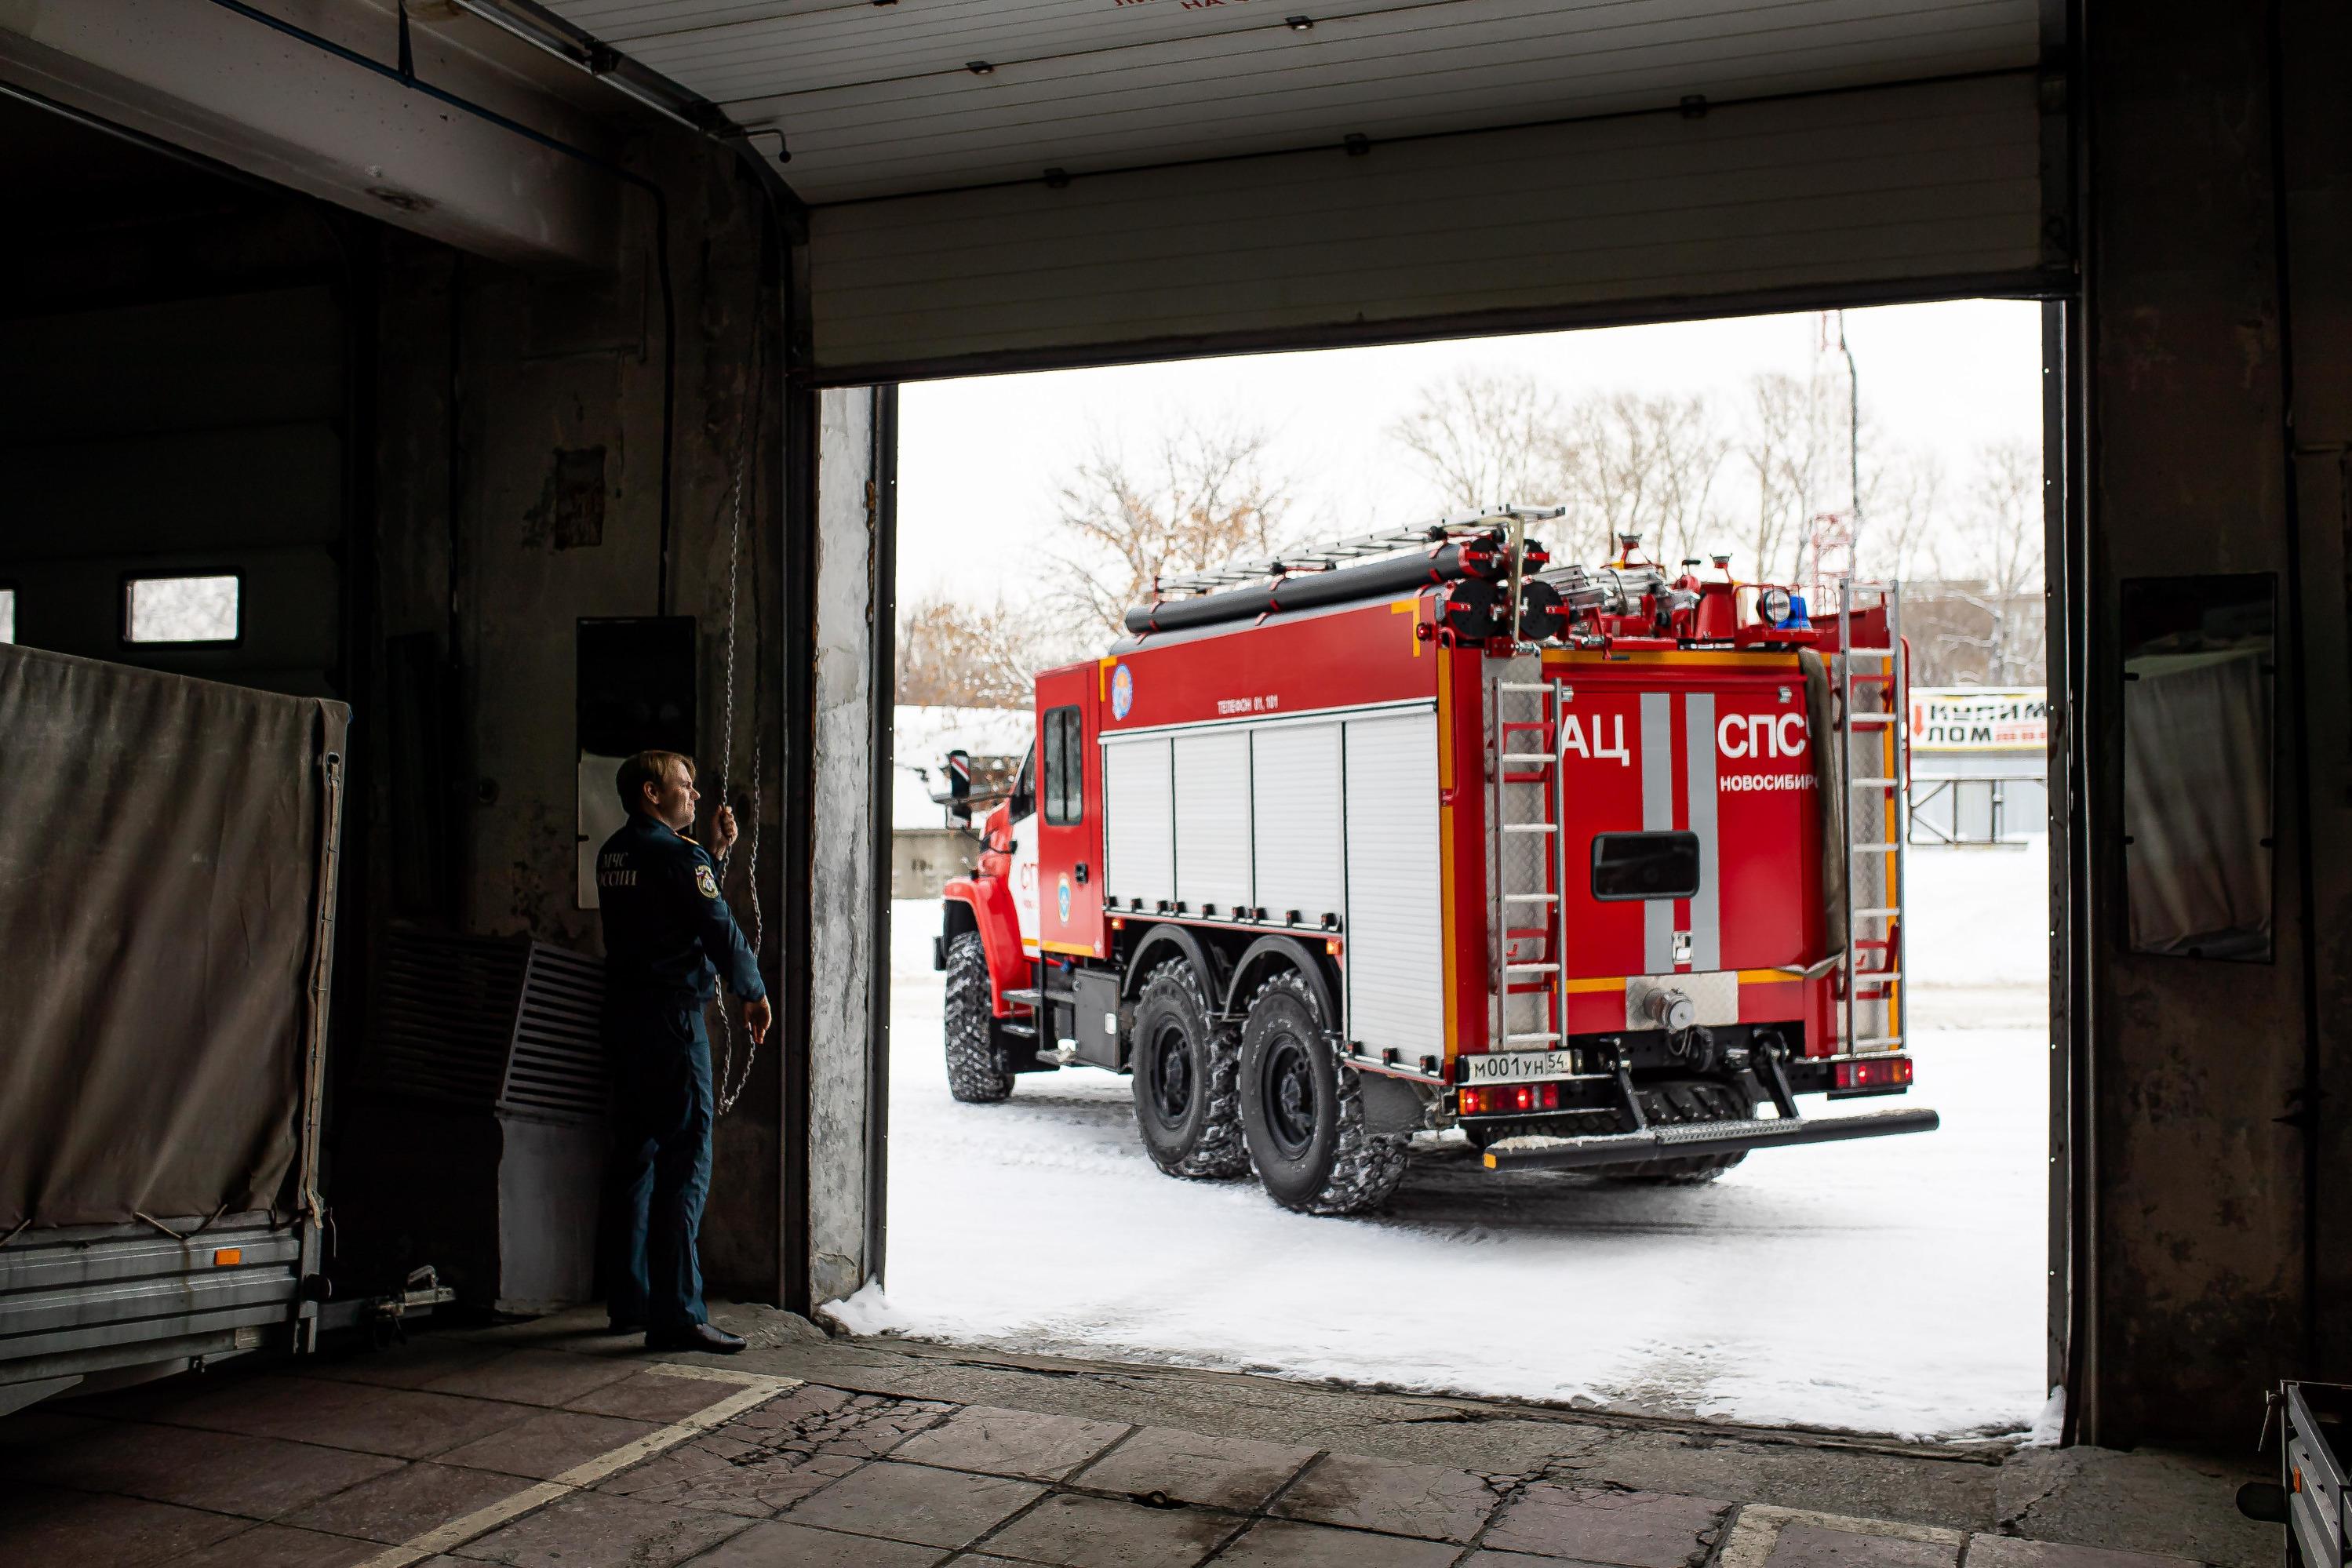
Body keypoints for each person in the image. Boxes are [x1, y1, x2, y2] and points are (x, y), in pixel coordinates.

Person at [595, 749, 772, 1353]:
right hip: (673, 1024)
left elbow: (674, 908)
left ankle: (630, 1301)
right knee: (686, 1163)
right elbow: (716, 927)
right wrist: (752, 991)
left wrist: (714, 855)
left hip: (624, 1022)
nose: (695, 796)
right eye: (685, 786)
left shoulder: (613, 854)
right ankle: (676, 1313)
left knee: (634, 1163)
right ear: (652, 792)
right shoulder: (678, 856)